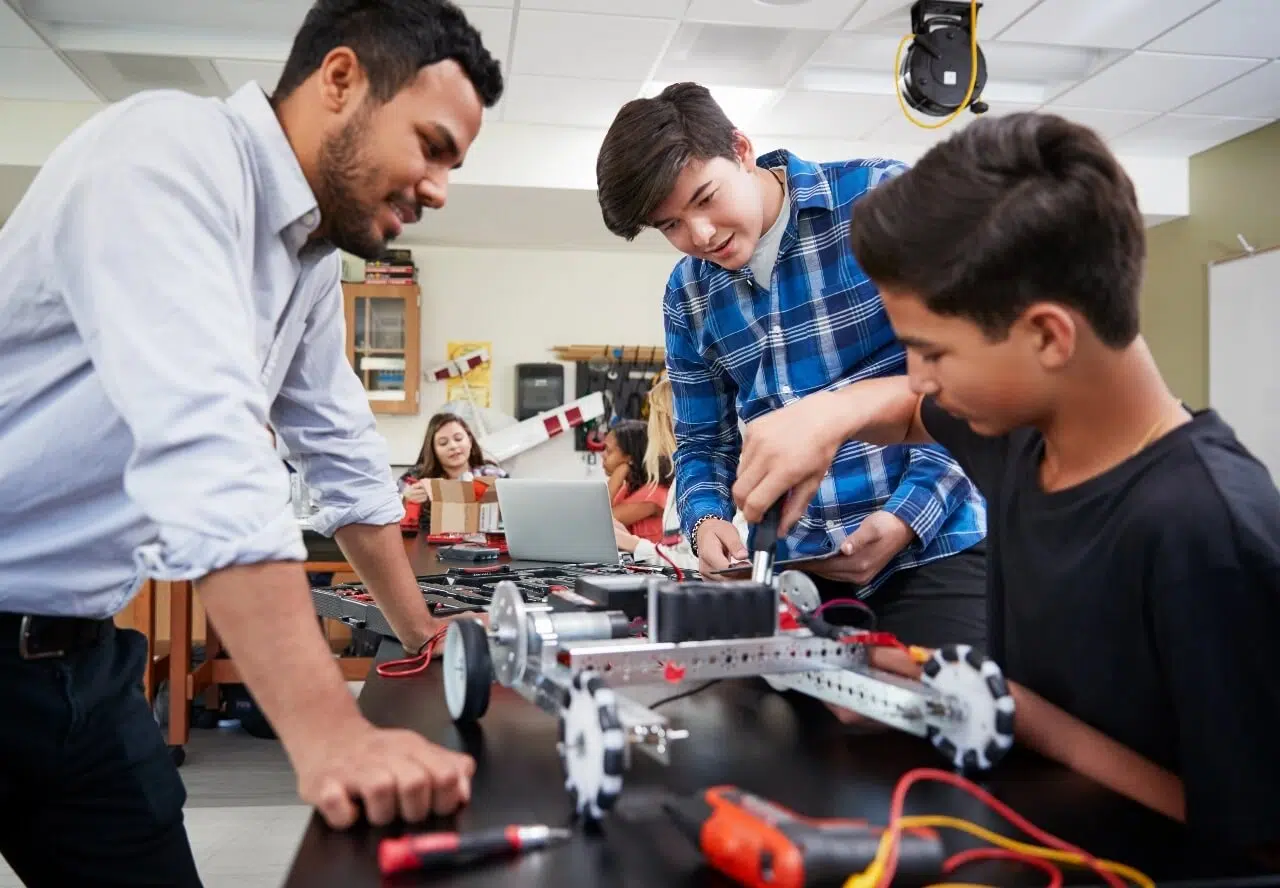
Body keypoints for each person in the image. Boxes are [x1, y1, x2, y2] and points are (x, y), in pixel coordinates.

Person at [0, 0, 503, 884]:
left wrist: (419, 628)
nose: (438, 190)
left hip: (80, 660)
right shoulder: (166, 151)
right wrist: (328, 734)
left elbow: (339, 446)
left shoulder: (306, 260)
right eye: (430, 146)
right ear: (340, 80)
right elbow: (207, 446)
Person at [730, 112, 1280, 859]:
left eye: (931, 352)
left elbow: (1254, 832)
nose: (916, 378)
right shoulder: (1022, 439)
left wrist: (1020, 714)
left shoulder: (1207, 529)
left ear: (1049, 336)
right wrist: (827, 416)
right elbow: (908, 412)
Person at [595, 82, 988, 651]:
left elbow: (976, 386)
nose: (699, 235)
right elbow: (702, 442)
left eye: (705, 198)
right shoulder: (687, 294)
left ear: (741, 147)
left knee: (943, 721)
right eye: (670, 226)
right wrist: (706, 522)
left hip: (935, 547)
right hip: (794, 574)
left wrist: (906, 517)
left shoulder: (881, 198)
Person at [614, 371, 746, 570]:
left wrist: (635, 545)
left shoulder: (730, 475)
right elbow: (679, 552)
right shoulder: (683, 479)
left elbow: (717, 563)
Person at [399, 412, 507, 530]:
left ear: (470, 440)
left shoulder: (494, 476)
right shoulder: (414, 479)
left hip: (484, 545)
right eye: (443, 443)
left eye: (458, 439)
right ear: (433, 449)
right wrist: (404, 501)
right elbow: (387, 520)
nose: (453, 446)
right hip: (429, 546)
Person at [603, 420, 671, 544]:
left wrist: (620, 472)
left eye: (608, 451)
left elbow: (600, 521)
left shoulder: (654, 493)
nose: (603, 455)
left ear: (629, 456)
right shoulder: (628, 488)